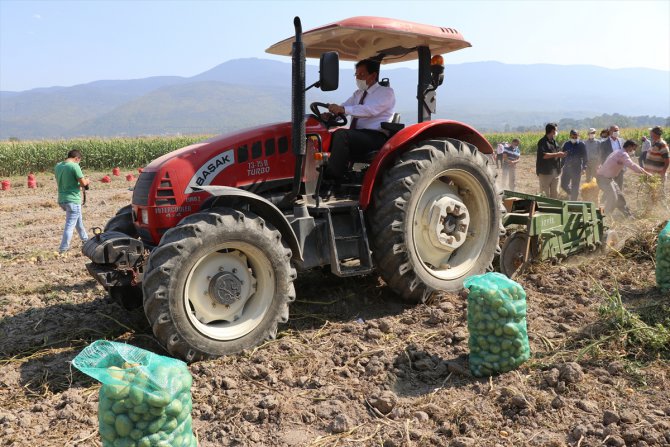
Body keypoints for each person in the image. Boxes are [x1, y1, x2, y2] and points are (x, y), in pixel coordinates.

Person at [323, 59, 395, 185]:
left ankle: (333, 178)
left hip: (375, 137)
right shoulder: (358, 94)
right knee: (327, 134)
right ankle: (322, 170)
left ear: (373, 76)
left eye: (362, 75)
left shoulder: (386, 93)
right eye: (356, 75)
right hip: (358, 135)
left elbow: (369, 110)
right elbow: (344, 109)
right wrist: (332, 115)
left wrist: (344, 109)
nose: (358, 78)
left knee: (341, 134)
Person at [596, 140, 651, 218]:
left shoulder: (618, 152)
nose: (633, 151)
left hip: (608, 178)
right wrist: (647, 174)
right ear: (629, 146)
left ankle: (628, 216)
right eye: (633, 148)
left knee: (619, 196)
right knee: (613, 198)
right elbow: (632, 165)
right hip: (603, 179)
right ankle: (605, 217)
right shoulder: (623, 154)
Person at [55, 149, 90, 254]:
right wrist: (87, 181)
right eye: (79, 161)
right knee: (70, 225)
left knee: (78, 223)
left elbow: (67, 183)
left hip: (62, 199)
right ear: (77, 158)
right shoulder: (74, 166)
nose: (78, 163)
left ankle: (86, 241)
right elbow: (83, 183)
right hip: (73, 200)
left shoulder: (58, 166)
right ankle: (63, 249)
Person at [536, 123, 566, 198]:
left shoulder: (555, 142)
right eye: (556, 130)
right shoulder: (542, 142)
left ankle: (554, 209)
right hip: (545, 173)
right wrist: (557, 154)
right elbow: (544, 155)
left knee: (555, 194)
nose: (557, 132)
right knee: (545, 195)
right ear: (552, 131)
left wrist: (562, 154)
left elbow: (558, 154)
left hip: (556, 173)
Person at [560, 129, 587, 200]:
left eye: (576, 137)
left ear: (578, 136)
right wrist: (560, 166)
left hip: (576, 169)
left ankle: (574, 201)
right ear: (570, 136)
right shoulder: (566, 144)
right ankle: (572, 193)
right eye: (573, 137)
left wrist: (584, 168)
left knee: (575, 186)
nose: (574, 139)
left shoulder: (582, 145)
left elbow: (585, 157)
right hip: (567, 168)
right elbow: (563, 156)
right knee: (563, 184)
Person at [599, 124, 625, 191]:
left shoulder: (622, 141)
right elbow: (602, 157)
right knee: (611, 189)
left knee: (619, 187)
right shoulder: (604, 144)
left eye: (618, 130)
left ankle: (619, 201)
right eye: (615, 130)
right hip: (610, 170)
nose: (617, 132)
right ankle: (610, 200)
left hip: (620, 169)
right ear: (610, 132)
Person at [644, 126, 669, 191]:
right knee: (651, 194)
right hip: (651, 174)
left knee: (658, 194)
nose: (650, 134)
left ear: (655, 134)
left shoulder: (662, 144)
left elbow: (667, 160)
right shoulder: (655, 143)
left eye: (651, 133)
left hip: (657, 175)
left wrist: (663, 172)